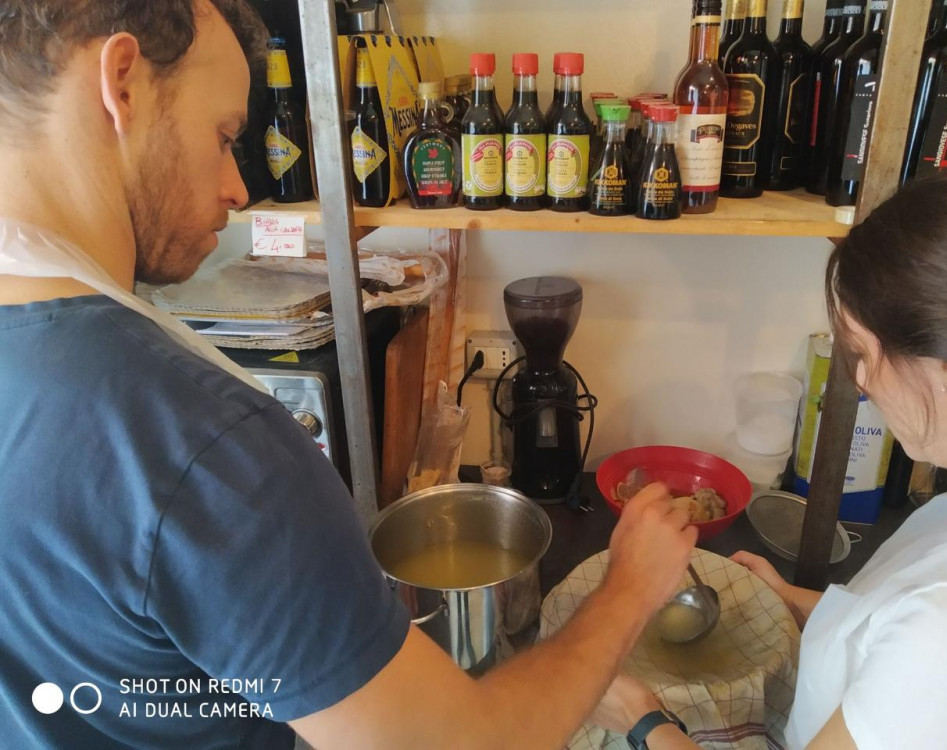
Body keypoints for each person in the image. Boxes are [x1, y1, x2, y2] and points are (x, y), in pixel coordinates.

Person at [0, 2, 700, 748]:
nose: (239, 187)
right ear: (124, 83)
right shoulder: (203, 444)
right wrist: (629, 589)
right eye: (225, 136)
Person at [591, 161, 947, 749]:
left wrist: (644, 719)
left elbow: (928, 653)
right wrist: (791, 600)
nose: (859, 384)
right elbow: (889, 628)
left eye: (863, 353)